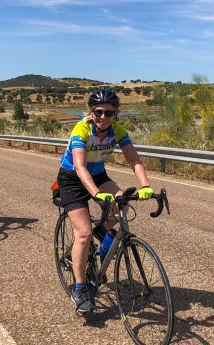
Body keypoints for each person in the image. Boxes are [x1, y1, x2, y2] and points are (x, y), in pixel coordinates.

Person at [55, 88, 154, 314]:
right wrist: (96, 194)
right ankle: (80, 288)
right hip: (72, 178)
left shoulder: (117, 130)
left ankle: (104, 238)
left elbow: (133, 159)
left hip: (98, 174)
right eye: (98, 112)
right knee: (84, 233)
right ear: (91, 112)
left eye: (108, 113)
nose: (103, 117)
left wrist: (146, 186)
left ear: (115, 115)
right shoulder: (82, 129)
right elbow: (80, 167)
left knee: (123, 206)